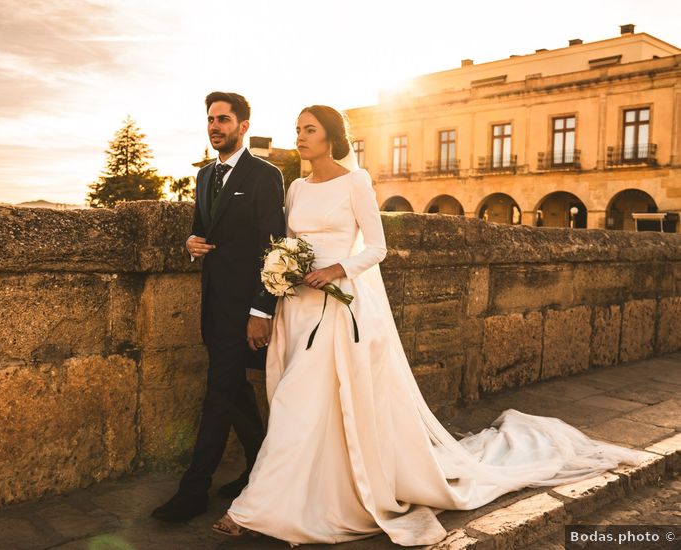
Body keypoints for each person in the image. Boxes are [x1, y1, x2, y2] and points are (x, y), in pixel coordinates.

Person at [210, 105, 649, 546]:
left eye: (309, 130)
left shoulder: (356, 182)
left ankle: (256, 508)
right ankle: (306, 492)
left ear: (331, 138)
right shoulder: (298, 188)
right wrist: (281, 269)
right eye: (298, 130)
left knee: (294, 403)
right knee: (304, 404)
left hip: (339, 310)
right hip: (299, 307)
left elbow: (376, 247)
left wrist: (338, 269)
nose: (301, 138)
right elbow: (286, 242)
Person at [151, 91, 286, 523]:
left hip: (246, 308)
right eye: (210, 119)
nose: (215, 126)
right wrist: (190, 245)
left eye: (224, 119)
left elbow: (275, 247)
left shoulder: (266, 175)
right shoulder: (204, 176)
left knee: (218, 393)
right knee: (234, 391)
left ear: (243, 126)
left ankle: (193, 490)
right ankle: (259, 468)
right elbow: (200, 234)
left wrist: (262, 310)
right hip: (213, 305)